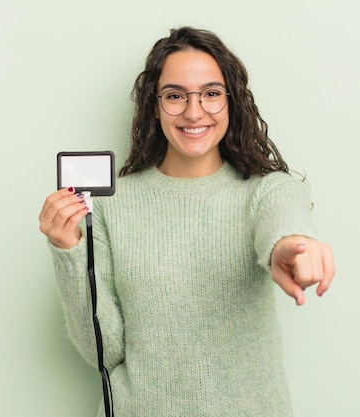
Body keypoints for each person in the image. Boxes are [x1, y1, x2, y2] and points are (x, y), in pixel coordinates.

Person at [38, 26, 335, 417]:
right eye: (175, 96)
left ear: (232, 101)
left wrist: (293, 246)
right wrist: (69, 251)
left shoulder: (266, 191)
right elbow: (104, 353)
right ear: (154, 105)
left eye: (211, 94)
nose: (194, 112)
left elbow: (284, 224)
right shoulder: (112, 205)